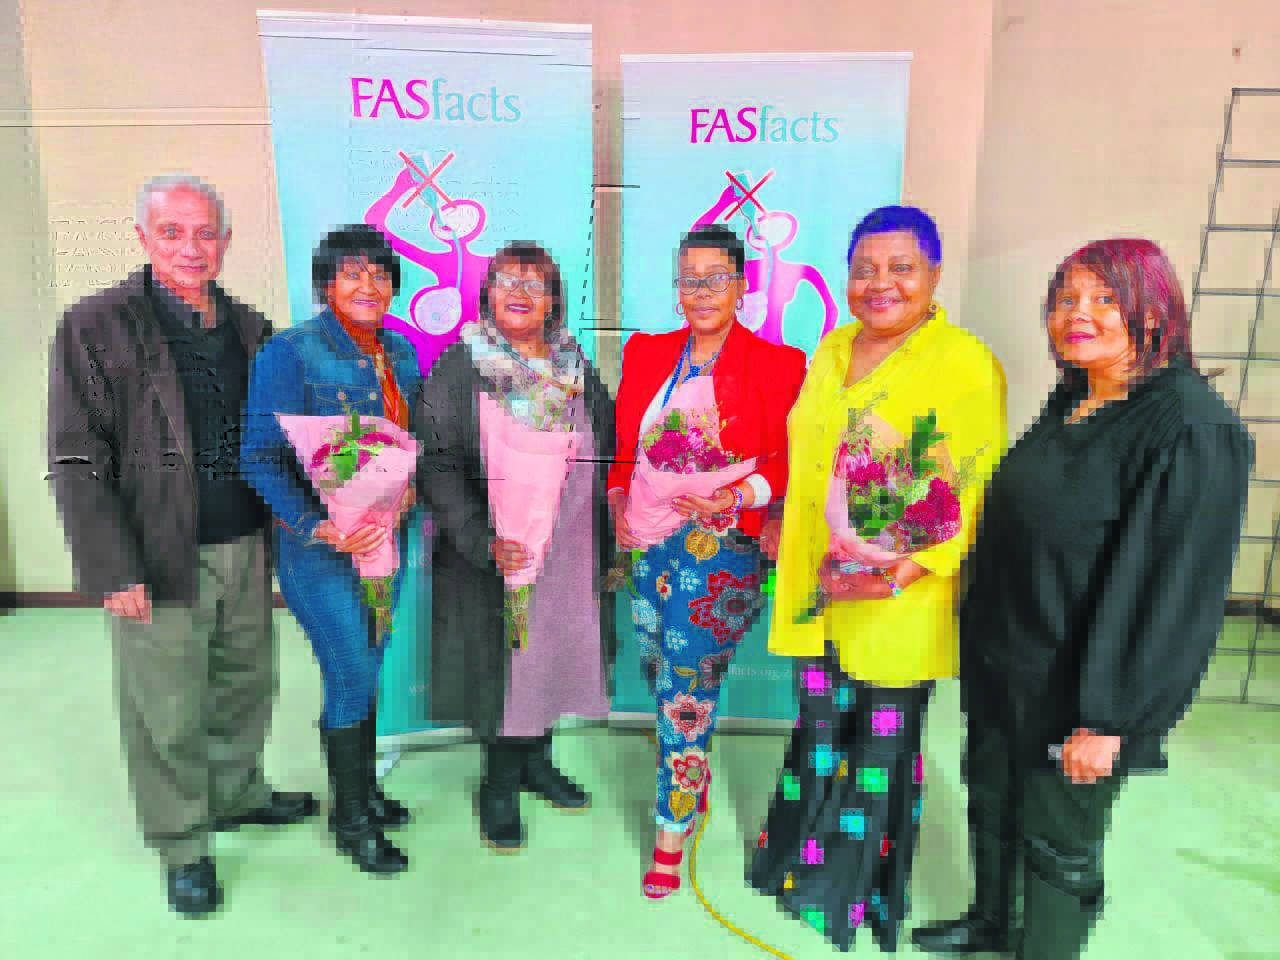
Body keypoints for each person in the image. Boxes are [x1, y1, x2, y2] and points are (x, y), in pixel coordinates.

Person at [910, 238, 1252, 959]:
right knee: (994, 801)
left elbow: (1176, 592)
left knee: (1058, 840)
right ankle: (992, 924)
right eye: (1065, 299)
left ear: (1154, 310)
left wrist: (1111, 720)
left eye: (1104, 298)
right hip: (1010, 662)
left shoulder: (1190, 427)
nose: (1078, 314)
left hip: (1082, 687)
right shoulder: (1076, 398)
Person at [47, 175, 316, 916]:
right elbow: (75, 455)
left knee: (245, 684)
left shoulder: (252, 328)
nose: (190, 248)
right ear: (144, 238)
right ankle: (182, 842)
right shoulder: (95, 326)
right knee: (165, 705)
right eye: (172, 232)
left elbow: (280, 437)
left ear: (225, 241)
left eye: (204, 233)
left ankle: (236, 793)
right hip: (157, 551)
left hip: (246, 543)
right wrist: (111, 565)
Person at [750, 206, 1007, 953]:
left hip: (899, 593)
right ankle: (792, 863)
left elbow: (974, 482)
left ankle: (850, 895)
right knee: (818, 732)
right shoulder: (833, 348)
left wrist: (907, 567)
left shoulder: (963, 361)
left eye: (901, 268)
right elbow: (811, 462)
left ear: (933, 274)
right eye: (864, 269)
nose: (880, 284)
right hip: (818, 585)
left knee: (879, 750)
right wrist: (782, 522)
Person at [610, 224, 808, 899]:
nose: (700, 291)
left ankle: (672, 827)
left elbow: (791, 461)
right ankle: (690, 774)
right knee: (658, 668)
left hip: (722, 547)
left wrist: (742, 496)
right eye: (689, 279)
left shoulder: (779, 364)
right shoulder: (646, 352)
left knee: (687, 689)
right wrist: (618, 498)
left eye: (715, 278)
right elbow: (625, 446)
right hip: (649, 539)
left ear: (742, 285)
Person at [415, 242, 616, 851]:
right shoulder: (461, 366)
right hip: (499, 550)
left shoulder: (574, 364)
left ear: (554, 300)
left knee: (550, 656)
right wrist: (482, 539)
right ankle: (498, 783)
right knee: (506, 667)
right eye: (507, 282)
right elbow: (437, 463)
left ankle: (536, 763)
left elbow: (606, 441)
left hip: (571, 549)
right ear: (488, 295)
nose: (521, 294)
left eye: (536, 284)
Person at [242, 225, 421, 875]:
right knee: (349, 672)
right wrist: (319, 526)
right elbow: (260, 457)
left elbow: (411, 442)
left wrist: (409, 490)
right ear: (326, 284)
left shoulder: (399, 351)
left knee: (369, 667)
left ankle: (364, 792)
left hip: (386, 542)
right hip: (322, 554)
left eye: (380, 273)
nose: (369, 285)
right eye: (352, 273)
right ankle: (350, 823)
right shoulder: (291, 352)